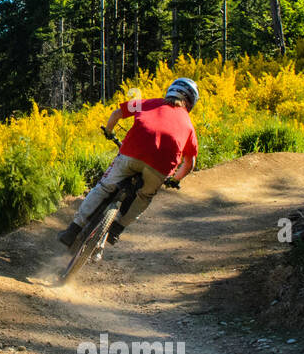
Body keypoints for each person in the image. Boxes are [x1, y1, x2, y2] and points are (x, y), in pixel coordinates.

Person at [58, 77, 199, 248]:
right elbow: (189, 163)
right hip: (159, 168)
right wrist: (175, 180)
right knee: (143, 197)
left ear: (170, 91)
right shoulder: (189, 125)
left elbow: (116, 114)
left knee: (104, 187)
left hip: (131, 154)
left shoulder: (147, 103)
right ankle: (117, 228)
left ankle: (73, 229)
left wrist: (109, 132)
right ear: (191, 102)